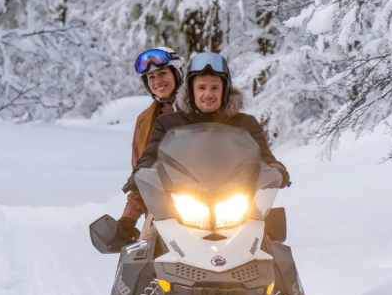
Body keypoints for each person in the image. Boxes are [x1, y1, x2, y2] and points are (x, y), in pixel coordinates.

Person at [123, 52, 290, 230]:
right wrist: (140, 173)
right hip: (178, 204)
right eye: (201, 88)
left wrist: (277, 170)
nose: (208, 94)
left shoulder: (245, 123)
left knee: (269, 246)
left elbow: (265, 156)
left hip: (235, 204)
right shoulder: (169, 123)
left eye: (215, 88)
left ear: (225, 91)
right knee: (147, 245)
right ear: (191, 91)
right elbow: (150, 154)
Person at [110, 47, 183, 244]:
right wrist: (128, 218)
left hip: (211, 202)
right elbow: (140, 174)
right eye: (151, 77)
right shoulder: (145, 121)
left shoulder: (198, 111)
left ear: (177, 73)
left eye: (162, 73)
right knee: (143, 258)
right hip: (162, 209)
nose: (157, 81)